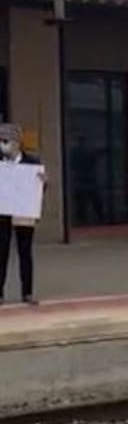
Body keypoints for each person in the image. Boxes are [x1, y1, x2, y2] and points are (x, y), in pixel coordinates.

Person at [0, 123, 42, 305]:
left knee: (25, 251)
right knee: (1, 252)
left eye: (6, 141)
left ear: (17, 142)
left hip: (24, 212)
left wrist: (42, 182)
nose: (3, 144)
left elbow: (38, 187)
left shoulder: (32, 162)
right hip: (2, 212)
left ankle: (27, 292)